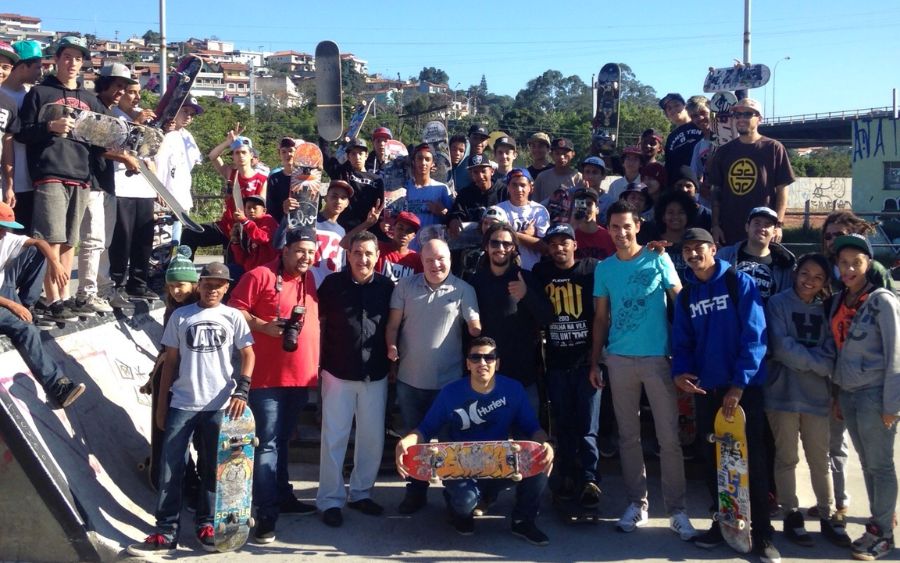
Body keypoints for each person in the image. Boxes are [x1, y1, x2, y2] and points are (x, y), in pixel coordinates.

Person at [126, 262, 254, 556]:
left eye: (219, 286)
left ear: (226, 288)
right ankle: (166, 530)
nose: (212, 290)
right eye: (208, 284)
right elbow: (170, 362)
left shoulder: (233, 316)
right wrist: (161, 406)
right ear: (201, 284)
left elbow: (248, 354)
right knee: (170, 470)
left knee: (213, 467)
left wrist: (242, 390)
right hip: (182, 403)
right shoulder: (181, 315)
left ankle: (207, 523)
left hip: (218, 405)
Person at [589, 200, 696, 540]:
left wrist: (691, 351)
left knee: (669, 438)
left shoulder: (658, 258)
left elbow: (681, 301)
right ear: (608, 229)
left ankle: (677, 510)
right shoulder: (604, 269)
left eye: (627, 226)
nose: (621, 233)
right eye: (615, 227)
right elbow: (601, 318)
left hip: (657, 359)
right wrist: (595, 360)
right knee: (628, 437)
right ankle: (638, 503)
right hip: (618, 359)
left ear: (638, 226)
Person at [672, 228, 780, 563]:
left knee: (754, 464)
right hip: (707, 391)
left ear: (714, 249)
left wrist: (738, 384)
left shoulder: (739, 283)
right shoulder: (686, 295)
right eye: (687, 249)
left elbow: (755, 337)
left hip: (743, 391)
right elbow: (682, 343)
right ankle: (725, 524)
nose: (692, 254)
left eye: (698, 247)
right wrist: (680, 374)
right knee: (715, 463)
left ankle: (762, 533)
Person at [395, 336, 554, 545]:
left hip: (498, 463)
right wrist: (405, 442)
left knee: (540, 459)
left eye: (489, 357)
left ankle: (523, 520)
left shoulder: (513, 390)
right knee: (464, 504)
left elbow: (533, 429)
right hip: (460, 466)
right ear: (468, 363)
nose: (483, 363)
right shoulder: (450, 393)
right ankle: (459, 506)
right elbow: (425, 429)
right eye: (476, 357)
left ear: (498, 363)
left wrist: (545, 443)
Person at [228, 227, 321, 542]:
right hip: (266, 379)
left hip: (300, 378)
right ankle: (265, 513)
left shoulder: (309, 280)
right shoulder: (259, 275)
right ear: (285, 249)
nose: (306, 257)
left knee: (281, 443)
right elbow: (234, 310)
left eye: (310, 251)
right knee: (266, 444)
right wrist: (262, 326)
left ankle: (283, 496)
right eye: (300, 250)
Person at [16, 36, 110, 322]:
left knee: (71, 241)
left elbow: (105, 140)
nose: (72, 63)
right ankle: (52, 299)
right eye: (67, 56)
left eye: (78, 58)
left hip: (81, 175)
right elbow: (22, 133)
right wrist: (49, 126)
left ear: (83, 64)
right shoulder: (40, 93)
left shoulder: (91, 100)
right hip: (50, 173)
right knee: (51, 239)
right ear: (56, 59)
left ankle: (64, 296)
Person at [385, 238, 481, 514]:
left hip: (448, 385)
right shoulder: (405, 287)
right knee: (415, 441)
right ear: (422, 262)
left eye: (441, 259)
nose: (436, 264)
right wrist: (390, 346)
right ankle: (416, 493)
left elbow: (474, 325)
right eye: (429, 260)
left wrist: (477, 327)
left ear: (450, 259)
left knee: (451, 443)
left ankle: (456, 499)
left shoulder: (464, 289)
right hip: (409, 380)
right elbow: (393, 325)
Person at [764, 252, 851, 548]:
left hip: (817, 398)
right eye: (805, 274)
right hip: (782, 395)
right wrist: (815, 362)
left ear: (825, 282)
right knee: (786, 457)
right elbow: (780, 346)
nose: (809, 281)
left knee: (820, 460)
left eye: (818, 277)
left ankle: (827, 515)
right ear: (795, 272)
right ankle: (791, 514)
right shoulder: (777, 303)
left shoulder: (828, 308)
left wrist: (810, 361)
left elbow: (832, 353)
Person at [824, 234, 900, 561]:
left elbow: (897, 352)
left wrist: (892, 404)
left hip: (874, 394)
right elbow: (841, 350)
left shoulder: (882, 300)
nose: (850, 268)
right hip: (850, 394)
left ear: (868, 264)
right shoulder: (841, 300)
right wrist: (839, 395)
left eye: (856, 262)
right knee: (868, 463)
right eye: (843, 263)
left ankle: (884, 534)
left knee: (881, 465)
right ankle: (876, 525)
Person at [316, 231, 395, 527]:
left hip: (374, 373)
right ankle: (329, 499)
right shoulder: (332, 285)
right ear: (348, 255)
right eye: (357, 253)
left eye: (368, 254)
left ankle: (361, 493)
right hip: (337, 371)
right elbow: (318, 323)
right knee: (334, 437)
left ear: (378, 257)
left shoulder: (388, 288)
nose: (363, 259)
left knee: (372, 438)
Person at [532, 223, 602, 507]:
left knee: (588, 427)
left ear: (575, 244)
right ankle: (566, 477)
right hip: (557, 364)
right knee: (563, 424)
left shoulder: (592, 269)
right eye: (553, 243)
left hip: (587, 362)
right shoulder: (541, 272)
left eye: (565, 242)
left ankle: (590, 480)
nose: (559, 248)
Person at [0, 201, 83, 406]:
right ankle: (58, 386)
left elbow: (39, 242)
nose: (5, 234)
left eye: (6, 229)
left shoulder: (6, 237)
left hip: (4, 287)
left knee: (40, 251)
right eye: (1, 229)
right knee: (26, 330)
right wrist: (13, 306)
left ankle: (29, 304)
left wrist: (55, 263)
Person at [74, 63, 141, 315]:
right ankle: (85, 293)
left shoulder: (114, 113)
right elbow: (95, 145)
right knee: (92, 240)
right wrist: (124, 159)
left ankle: (103, 289)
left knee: (105, 241)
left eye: (123, 87)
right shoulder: (93, 105)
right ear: (104, 84)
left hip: (107, 183)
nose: (119, 91)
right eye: (116, 85)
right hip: (90, 180)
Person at [470, 222, 553, 413]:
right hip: (486, 374)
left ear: (514, 248)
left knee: (526, 436)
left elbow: (547, 317)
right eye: (495, 243)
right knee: (491, 439)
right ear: (486, 246)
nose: (500, 248)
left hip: (523, 374)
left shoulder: (526, 278)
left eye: (506, 244)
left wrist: (526, 295)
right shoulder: (475, 282)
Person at [707, 98, 794, 246]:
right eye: (737, 115)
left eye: (747, 114)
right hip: (729, 231)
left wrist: (778, 225)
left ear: (759, 119)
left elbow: (782, 190)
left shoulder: (773, 148)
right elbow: (716, 191)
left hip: (763, 231)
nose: (741, 119)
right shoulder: (724, 152)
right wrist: (715, 225)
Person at [107, 79, 158, 311]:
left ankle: (138, 282)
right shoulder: (114, 117)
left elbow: (148, 149)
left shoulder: (143, 120)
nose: (136, 98)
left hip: (143, 185)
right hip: (122, 185)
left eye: (139, 93)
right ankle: (116, 282)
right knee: (122, 237)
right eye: (131, 93)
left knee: (143, 237)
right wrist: (136, 124)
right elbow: (116, 148)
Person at [183, 128, 267, 256]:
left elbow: (261, 211)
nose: (241, 156)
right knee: (190, 233)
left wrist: (246, 226)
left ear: (251, 155)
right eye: (237, 153)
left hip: (246, 230)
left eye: (244, 152)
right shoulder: (230, 173)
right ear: (233, 156)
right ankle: (184, 270)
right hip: (225, 227)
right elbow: (212, 156)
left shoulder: (261, 180)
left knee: (234, 269)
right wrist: (227, 142)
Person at [1, 40, 43, 234]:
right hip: (7, 179)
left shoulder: (32, 95)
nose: (40, 73)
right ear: (22, 66)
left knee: (20, 236)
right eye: (37, 67)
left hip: (26, 179)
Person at [717, 206, 796, 302]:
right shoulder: (725, 256)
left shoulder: (785, 264)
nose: (762, 228)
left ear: (774, 231)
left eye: (767, 225)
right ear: (747, 227)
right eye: (757, 223)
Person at [153, 98, 203, 243]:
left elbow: (192, 163)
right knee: (160, 241)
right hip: (163, 196)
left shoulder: (188, 136)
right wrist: (157, 189)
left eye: (192, 114)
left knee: (175, 240)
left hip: (181, 197)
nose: (188, 116)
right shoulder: (161, 133)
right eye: (185, 111)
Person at [387, 143, 452, 247]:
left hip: (431, 250)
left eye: (427, 159)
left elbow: (451, 221)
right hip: (406, 250)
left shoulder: (442, 189)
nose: (423, 163)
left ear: (433, 164)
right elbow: (392, 217)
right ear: (413, 161)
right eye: (419, 158)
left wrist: (442, 212)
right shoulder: (403, 188)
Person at [321, 136, 384, 237]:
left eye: (360, 153)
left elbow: (380, 209)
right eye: (353, 153)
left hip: (367, 230)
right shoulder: (342, 173)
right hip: (342, 229)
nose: (357, 157)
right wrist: (325, 135)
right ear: (348, 156)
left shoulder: (377, 180)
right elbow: (326, 157)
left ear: (366, 155)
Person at [496, 168, 549, 270]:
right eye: (514, 185)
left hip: (532, 270)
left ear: (531, 187)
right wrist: (526, 235)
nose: (519, 189)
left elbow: (544, 248)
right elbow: (497, 240)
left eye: (523, 185)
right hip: (504, 270)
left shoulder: (539, 211)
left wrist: (509, 231)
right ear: (508, 187)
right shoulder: (498, 209)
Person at [448, 153, 504, 237]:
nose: (480, 176)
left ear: (492, 171)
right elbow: (457, 212)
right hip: (472, 242)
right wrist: (454, 219)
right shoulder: (465, 194)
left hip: (499, 240)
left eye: (483, 171)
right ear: (471, 175)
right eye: (475, 172)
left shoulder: (503, 191)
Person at [309, 180, 350, 287]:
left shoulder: (342, 231)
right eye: (334, 196)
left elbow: (341, 265)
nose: (338, 201)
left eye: (343, 198)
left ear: (347, 204)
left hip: (328, 291)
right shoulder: (310, 220)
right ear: (326, 198)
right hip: (306, 286)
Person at [659, 92, 703, 187]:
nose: (673, 109)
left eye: (677, 105)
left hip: (704, 182)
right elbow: (669, 166)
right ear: (667, 115)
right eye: (669, 108)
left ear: (685, 107)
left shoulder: (699, 124)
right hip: (682, 187)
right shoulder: (671, 138)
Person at [228, 195, 279, 277]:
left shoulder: (269, 221)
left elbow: (261, 238)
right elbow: (241, 260)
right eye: (248, 208)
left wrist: (245, 221)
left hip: (267, 270)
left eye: (255, 208)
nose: (251, 210)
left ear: (264, 211)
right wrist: (235, 242)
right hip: (250, 269)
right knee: (225, 271)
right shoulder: (245, 227)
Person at [372, 211, 422, 283]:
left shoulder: (417, 259)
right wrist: (368, 223)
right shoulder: (379, 247)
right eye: (400, 228)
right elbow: (350, 243)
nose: (404, 233)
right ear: (393, 228)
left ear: (414, 236)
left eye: (409, 231)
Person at [599, 146, 643, 223]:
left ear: (641, 164)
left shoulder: (644, 184)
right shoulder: (615, 185)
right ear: (623, 162)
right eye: (628, 158)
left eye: (635, 159)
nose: (631, 162)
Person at [533, 138, 582, 204]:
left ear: (573, 154)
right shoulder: (542, 177)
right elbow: (534, 204)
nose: (561, 157)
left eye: (565, 153)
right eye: (557, 153)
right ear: (551, 155)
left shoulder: (578, 178)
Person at [571, 188, 615, 261]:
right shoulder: (571, 236)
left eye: (589, 204)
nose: (585, 208)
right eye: (581, 205)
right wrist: (572, 227)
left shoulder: (609, 237)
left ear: (597, 209)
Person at [266, 137, 299, 225]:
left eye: (291, 151)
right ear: (279, 155)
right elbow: (270, 209)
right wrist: (284, 207)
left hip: (303, 224)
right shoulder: (274, 179)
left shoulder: (305, 178)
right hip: (281, 225)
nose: (288, 154)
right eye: (283, 152)